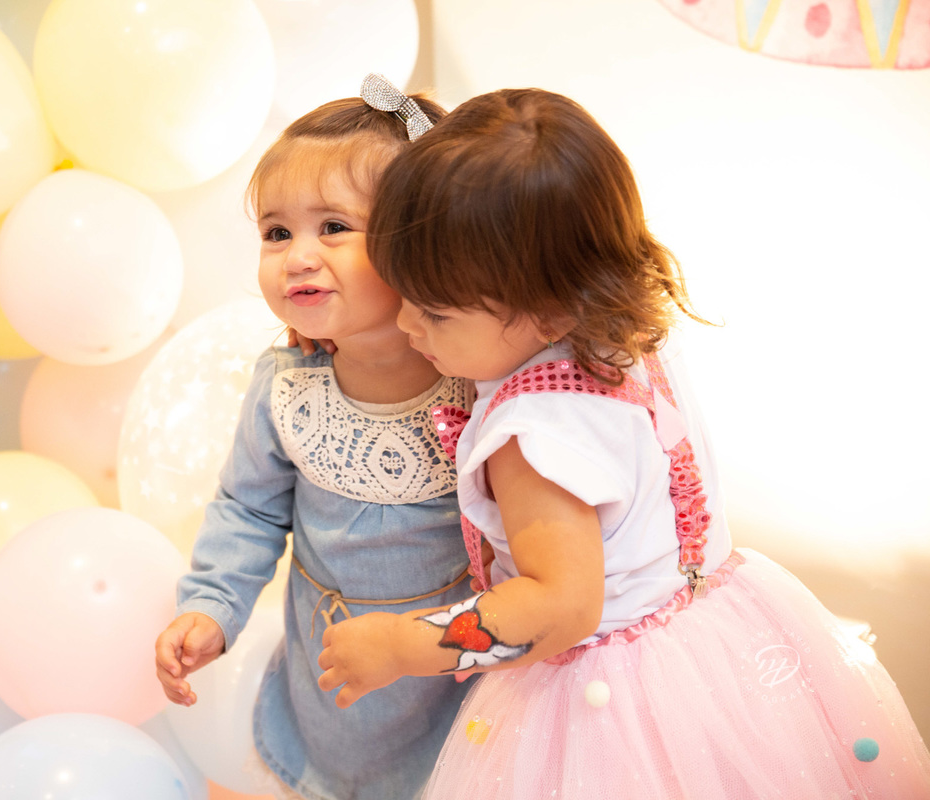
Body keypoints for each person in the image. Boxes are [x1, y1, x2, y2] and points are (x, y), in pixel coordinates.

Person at [316, 87, 930, 798]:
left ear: (549, 307)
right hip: (721, 635)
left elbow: (559, 607)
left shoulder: (532, 438)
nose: (407, 326)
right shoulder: (625, 330)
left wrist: (404, 646)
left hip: (607, 699)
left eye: (435, 313)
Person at [155, 76, 479, 800]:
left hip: (449, 676)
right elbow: (248, 509)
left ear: (421, 241)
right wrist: (211, 605)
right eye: (277, 233)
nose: (298, 256)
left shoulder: (476, 379)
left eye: (333, 227)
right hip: (330, 678)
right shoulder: (288, 388)